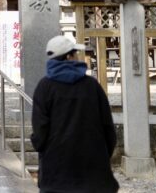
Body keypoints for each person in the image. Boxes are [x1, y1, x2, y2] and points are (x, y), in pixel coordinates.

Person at [31, 35, 119, 193]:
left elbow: (39, 131)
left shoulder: (44, 87)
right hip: (94, 172)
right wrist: (103, 155)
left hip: (56, 174)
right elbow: (108, 129)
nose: (79, 56)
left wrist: (44, 150)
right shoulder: (92, 86)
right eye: (76, 53)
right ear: (69, 56)